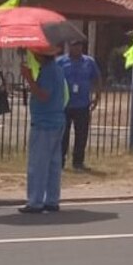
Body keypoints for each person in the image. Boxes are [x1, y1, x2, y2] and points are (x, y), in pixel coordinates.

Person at [19, 48, 67, 214]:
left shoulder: (48, 72)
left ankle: (35, 201)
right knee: (53, 163)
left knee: (39, 164)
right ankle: (52, 199)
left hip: (44, 123)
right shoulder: (57, 70)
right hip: (57, 120)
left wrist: (29, 79)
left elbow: (43, 95)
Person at [58, 40, 101, 171]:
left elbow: (97, 78)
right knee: (62, 135)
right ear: (69, 46)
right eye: (74, 45)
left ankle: (78, 162)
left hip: (82, 104)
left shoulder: (89, 62)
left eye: (79, 45)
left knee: (81, 134)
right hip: (65, 105)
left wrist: (97, 96)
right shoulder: (60, 62)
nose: (77, 48)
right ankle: (60, 162)